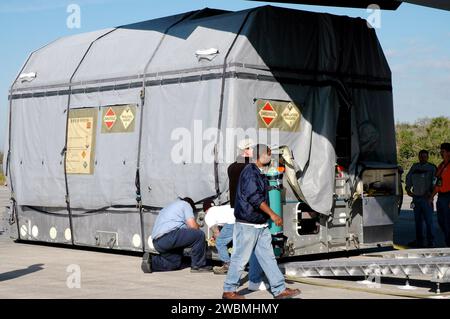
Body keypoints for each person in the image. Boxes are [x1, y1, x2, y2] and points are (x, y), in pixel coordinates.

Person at [222, 144, 301, 299]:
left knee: (268, 258)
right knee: (241, 258)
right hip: (248, 224)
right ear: (262, 155)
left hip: (260, 224)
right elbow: (254, 198)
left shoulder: (258, 172)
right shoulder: (250, 172)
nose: (271, 158)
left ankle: (279, 289)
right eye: (269, 155)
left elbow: (260, 192)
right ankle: (229, 290)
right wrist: (273, 214)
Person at [141, 197, 211, 273]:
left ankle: (151, 262)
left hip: (157, 242)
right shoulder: (186, 205)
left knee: (174, 263)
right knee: (199, 235)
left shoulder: (167, 208)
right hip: (169, 237)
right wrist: (203, 237)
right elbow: (193, 226)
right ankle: (198, 265)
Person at [405, 150, 436, 247]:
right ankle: (419, 241)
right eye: (421, 156)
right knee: (418, 222)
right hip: (416, 198)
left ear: (428, 157)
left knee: (429, 221)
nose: (423, 158)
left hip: (426, 199)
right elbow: (408, 178)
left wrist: (431, 193)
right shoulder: (414, 167)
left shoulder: (432, 168)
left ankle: (431, 241)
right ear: (418, 157)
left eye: (425, 156)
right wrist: (407, 188)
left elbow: (436, 181)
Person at [203, 200, 235, 274]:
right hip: (242, 218)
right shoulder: (220, 209)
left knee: (220, 242)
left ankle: (227, 265)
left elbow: (216, 232)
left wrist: (215, 241)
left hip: (233, 222)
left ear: (205, 210)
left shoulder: (208, 215)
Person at [430, 143, 450, 247]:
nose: (441, 153)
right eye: (441, 151)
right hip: (441, 197)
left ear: (448, 152)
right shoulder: (441, 165)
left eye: (443, 151)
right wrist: (431, 196)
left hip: (448, 196)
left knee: (447, 222)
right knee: (441, 221)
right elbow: (437, 183)